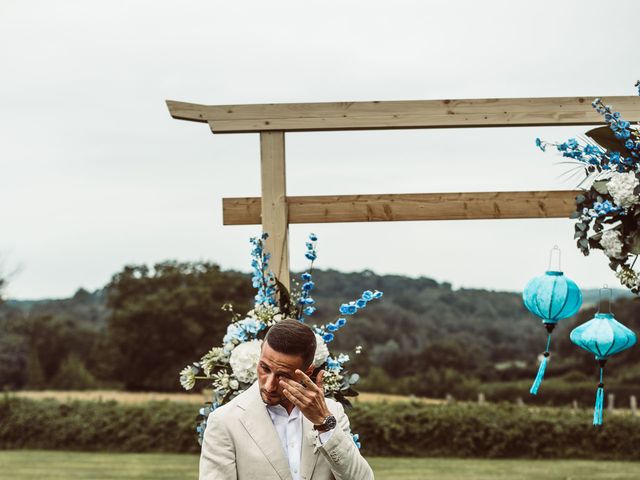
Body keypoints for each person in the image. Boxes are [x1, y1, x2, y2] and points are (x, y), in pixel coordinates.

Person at [199, 319, 374, 480]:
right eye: (264, 368)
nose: (268, 385)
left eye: (283, 375)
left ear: (308, 372)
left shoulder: (332, 413)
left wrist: (323, 424)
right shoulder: (224, 421)